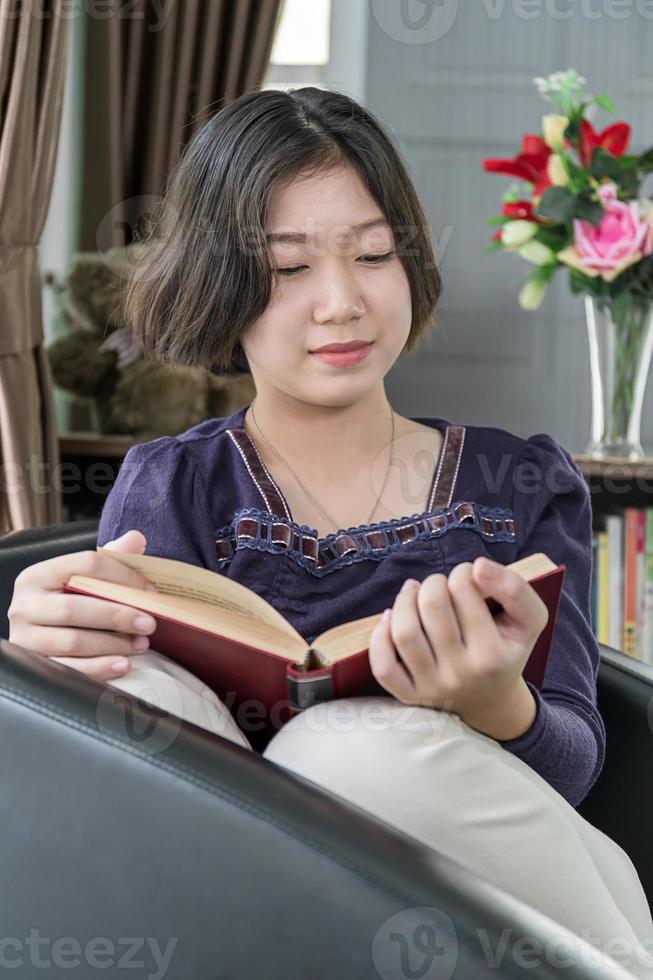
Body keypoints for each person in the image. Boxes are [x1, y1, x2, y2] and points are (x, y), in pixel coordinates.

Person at [8, 86, 653, 976]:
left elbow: (578, 767)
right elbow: (127, 790)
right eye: (287, 268)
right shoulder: (174, 486)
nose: (342, 302)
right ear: (221, 287)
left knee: (344, 745)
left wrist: (492, 703)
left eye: (373, 253)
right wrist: (43, 664)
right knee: (141, 692)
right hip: (257, 927)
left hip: (514, 922)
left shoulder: (522, 481)